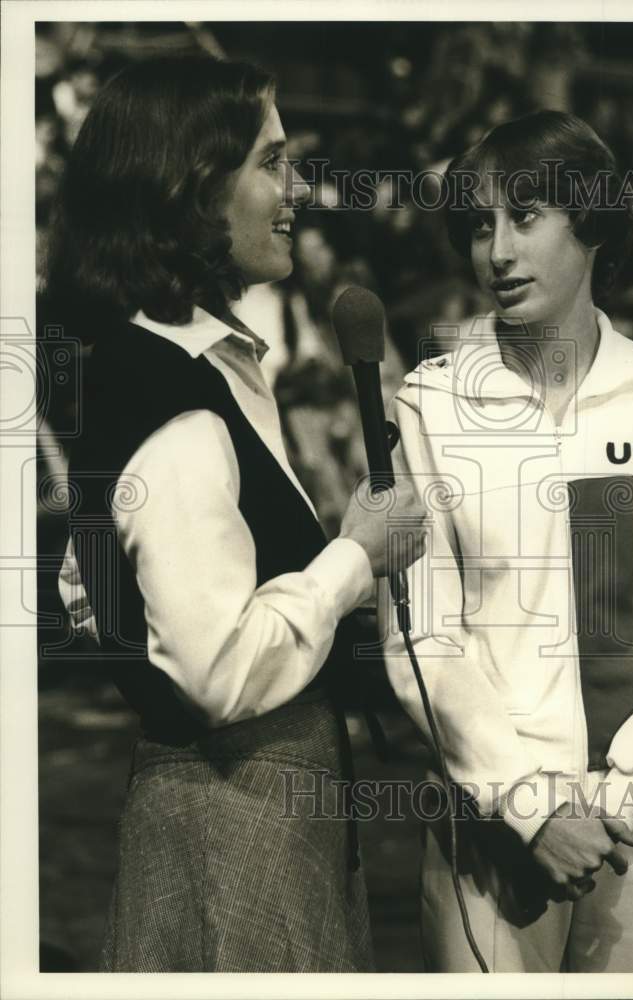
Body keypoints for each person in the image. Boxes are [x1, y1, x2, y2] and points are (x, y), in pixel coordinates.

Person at [47, 54, 426, 972]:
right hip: (235, 823)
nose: (297, 189)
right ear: (187, 186)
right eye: (270, 161)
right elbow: (215, 672)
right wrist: (352, 557)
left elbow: (91, 593)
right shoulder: (170, 396)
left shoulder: (171, 365)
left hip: (242, 808)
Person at [382, 110, 633, 972]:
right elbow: (419, 634)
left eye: (525, 216)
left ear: (590, 225)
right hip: (491, 832)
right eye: (478, 224)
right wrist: (530, 809)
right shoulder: (432, 403)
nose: (497, 253)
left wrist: (617, 796)